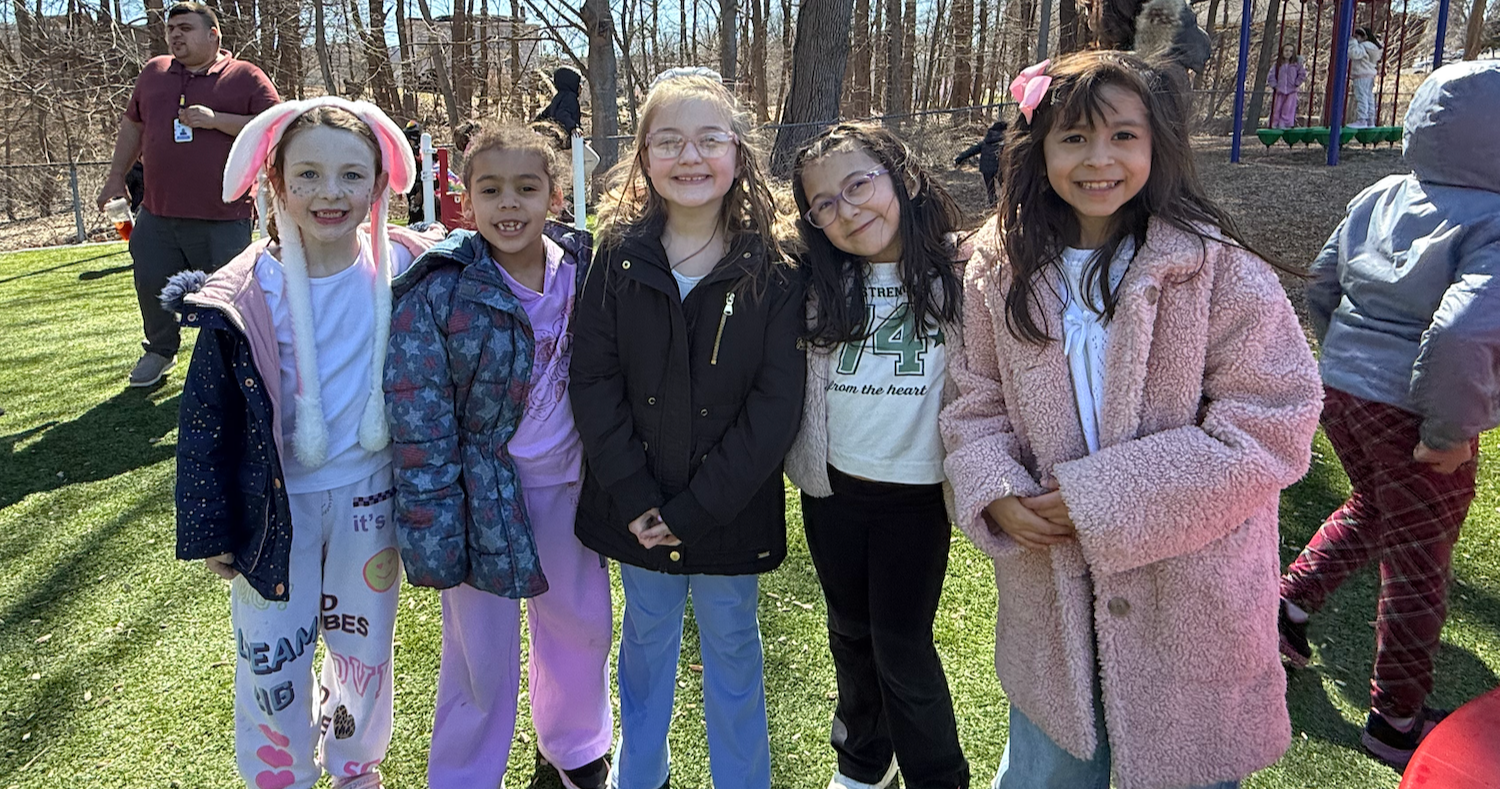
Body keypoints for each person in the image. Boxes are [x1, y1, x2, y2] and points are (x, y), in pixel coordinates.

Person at [942, 51, 1322, 789]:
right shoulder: (996, 267)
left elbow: (1272, 419)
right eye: (1073, 138)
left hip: (1191, 599)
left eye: (1123, 136)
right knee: (1050, 770)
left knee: (1186, 769)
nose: (1098, 160)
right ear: (1039, 148)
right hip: (1051, 598)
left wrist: (1103, 498)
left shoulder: (1217, 268)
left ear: (1158, 144)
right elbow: (973, 398)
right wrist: (995, 488)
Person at [163, 97, 439, 789]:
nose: (330, 193)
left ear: (379, 183)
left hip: (370, 502)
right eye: (308, 174)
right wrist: (213, 527)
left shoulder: (407, 267)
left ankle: (355, 768)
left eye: (351, 175)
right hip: (272, 513)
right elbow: (206, 421)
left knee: (362, 653)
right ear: (277, 183)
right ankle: (280, 775)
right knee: (272, 658)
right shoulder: (243, 293)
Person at [569, 70, 805, 789]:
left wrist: (698, 510)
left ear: (738, 151)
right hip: (637, 511)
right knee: (645, 645)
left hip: (730, 514)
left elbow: (775, 405)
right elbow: (593, 379)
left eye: (709, 139)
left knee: (732, 646)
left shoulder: (774, 264)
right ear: (643, 155)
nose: (690, 157)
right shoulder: (617, 254)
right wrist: (637, 497)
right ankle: (640, 774)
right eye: (668, 141)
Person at [1279, 60, 1500, 772]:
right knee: (1418, 565)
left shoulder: (1380, 193)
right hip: (1418, 411)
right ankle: (1396, 716)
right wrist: (1447, 433)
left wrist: (1342, 360)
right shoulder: (1494, 220)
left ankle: (1287, 606)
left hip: (1343, 392)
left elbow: (1323, 282)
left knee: (1377, 507)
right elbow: (1463, 335)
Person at [384, 122, 613, 789]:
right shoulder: (440, 288)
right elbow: (418, 413)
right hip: (480, 501)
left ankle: (575, 751)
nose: (508, 204)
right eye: (490, 189)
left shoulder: (589, 272)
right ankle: (464, 774)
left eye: (526, 188)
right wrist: (432, 522)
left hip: (571, 490)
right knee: (479, 656)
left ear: (555, 196)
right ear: (465, 198)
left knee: (581, 629)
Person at [786, 122, 970, 789]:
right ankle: (864, 763)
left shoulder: (964, 272)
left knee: (902, 649)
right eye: (824, 203)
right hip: (832, 491)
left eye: (859, 184)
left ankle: (938, 776)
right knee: (849, 634)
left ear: (906, 177)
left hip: (914, 499)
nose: (846, 209)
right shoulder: (817, 279)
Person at [98, 1, 279, 388]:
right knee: (150, 281)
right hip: (157, 212)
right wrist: (115, 177)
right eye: (171, 29)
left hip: (224, 214)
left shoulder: (245, 77)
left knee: (229, 296)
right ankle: (160, 350)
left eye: (186, 28)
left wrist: (216, 121)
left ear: (213, 35)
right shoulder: (154, 73)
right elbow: (133, 127)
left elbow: (276, 127)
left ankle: (236, 362)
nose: (175, 35)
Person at [955, 119, 1009, 206]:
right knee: (1004, 186)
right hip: (998, 167)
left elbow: (972, 150)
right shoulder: (1004, 141)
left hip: (985, 168)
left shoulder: (985, 142)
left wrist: (959, 158)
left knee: (990, 189)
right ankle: (1005, 204)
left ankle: (993, 205)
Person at [1347, 26, 1382, 128]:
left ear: (1363, 37)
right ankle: (1370, 121)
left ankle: (1362, 120)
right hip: (1370, 76)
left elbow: (1353, 54)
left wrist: (1352, 42)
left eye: (1357, 37)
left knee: (1361, 97)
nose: (1356, 39)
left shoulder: (1363, 47)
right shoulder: (1373, 48)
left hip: (1361, 75)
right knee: (1369, 98)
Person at [1267, 46, 1307, 129]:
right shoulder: (1278, 65)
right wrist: (1274, 85)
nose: (1288, 53)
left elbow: (1302, 74)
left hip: (1291, 90)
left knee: (1288, 108)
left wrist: (1297, 83)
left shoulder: (1296, 65)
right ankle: (1275, 123)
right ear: (1282, 52)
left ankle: (1284, 123)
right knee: (1277, 108)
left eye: (1291, 51)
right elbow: (1271, 75)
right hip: (1280, 90)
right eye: (1286, 51)